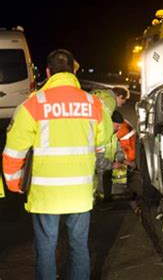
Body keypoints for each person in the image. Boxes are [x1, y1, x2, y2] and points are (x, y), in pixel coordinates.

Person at [2, 49, 107, 280]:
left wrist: (13, 182)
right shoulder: (93, 103)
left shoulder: (33, 104)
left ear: (48, 72)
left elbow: (14, 149)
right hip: (80, 191)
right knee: (79, 246)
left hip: (45, 193)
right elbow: (103, 143)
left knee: (46, 248)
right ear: (73, 70)